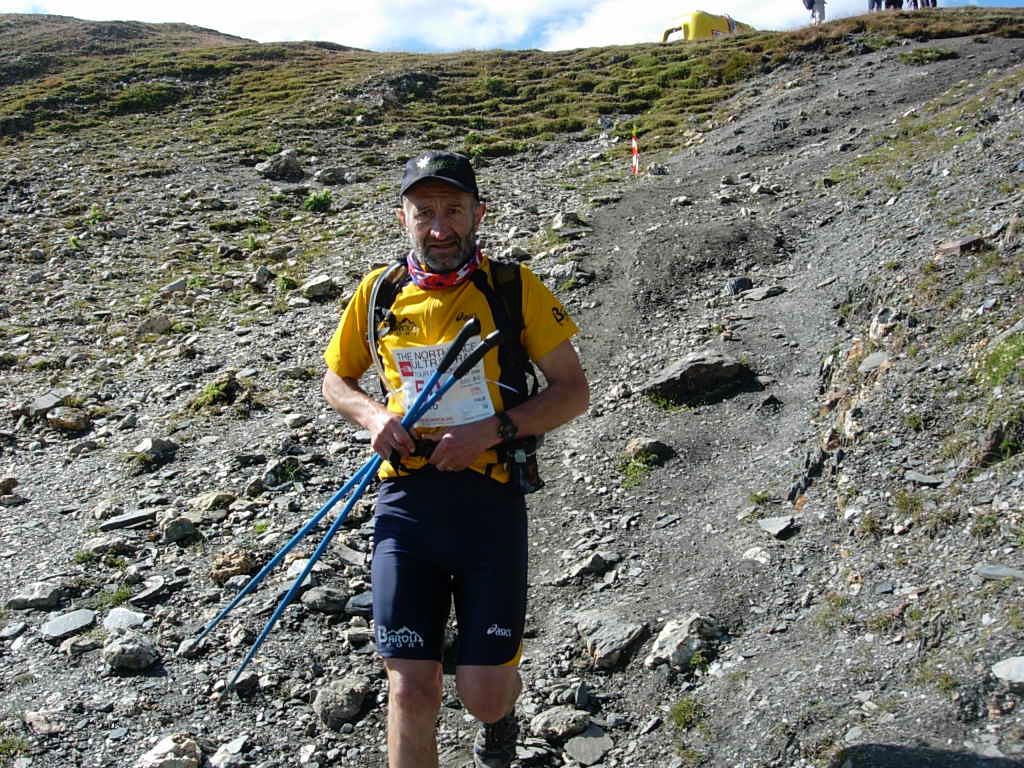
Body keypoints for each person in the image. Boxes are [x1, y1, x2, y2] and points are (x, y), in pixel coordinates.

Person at [322, 150, 589, 768]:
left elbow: (572, 392)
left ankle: (500, 719)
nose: (439, 228)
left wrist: (491, 431)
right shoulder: (379, 292)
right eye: (425, 213)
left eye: (453, 211)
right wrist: (373, 416)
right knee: (412, 688)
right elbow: (337, 381)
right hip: (406, 506)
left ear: (478, 214)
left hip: (489, 504)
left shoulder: (512, 288)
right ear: (403, 218)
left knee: (484, 695)